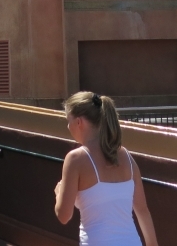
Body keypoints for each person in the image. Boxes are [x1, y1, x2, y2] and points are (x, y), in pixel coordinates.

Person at [54, 92, 158, 246]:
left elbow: (64, 215)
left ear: (79, 122)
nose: (68, 126)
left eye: (68, 121)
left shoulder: (76, 159)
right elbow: (142, 211)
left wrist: (58, 193)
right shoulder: (126, 157)